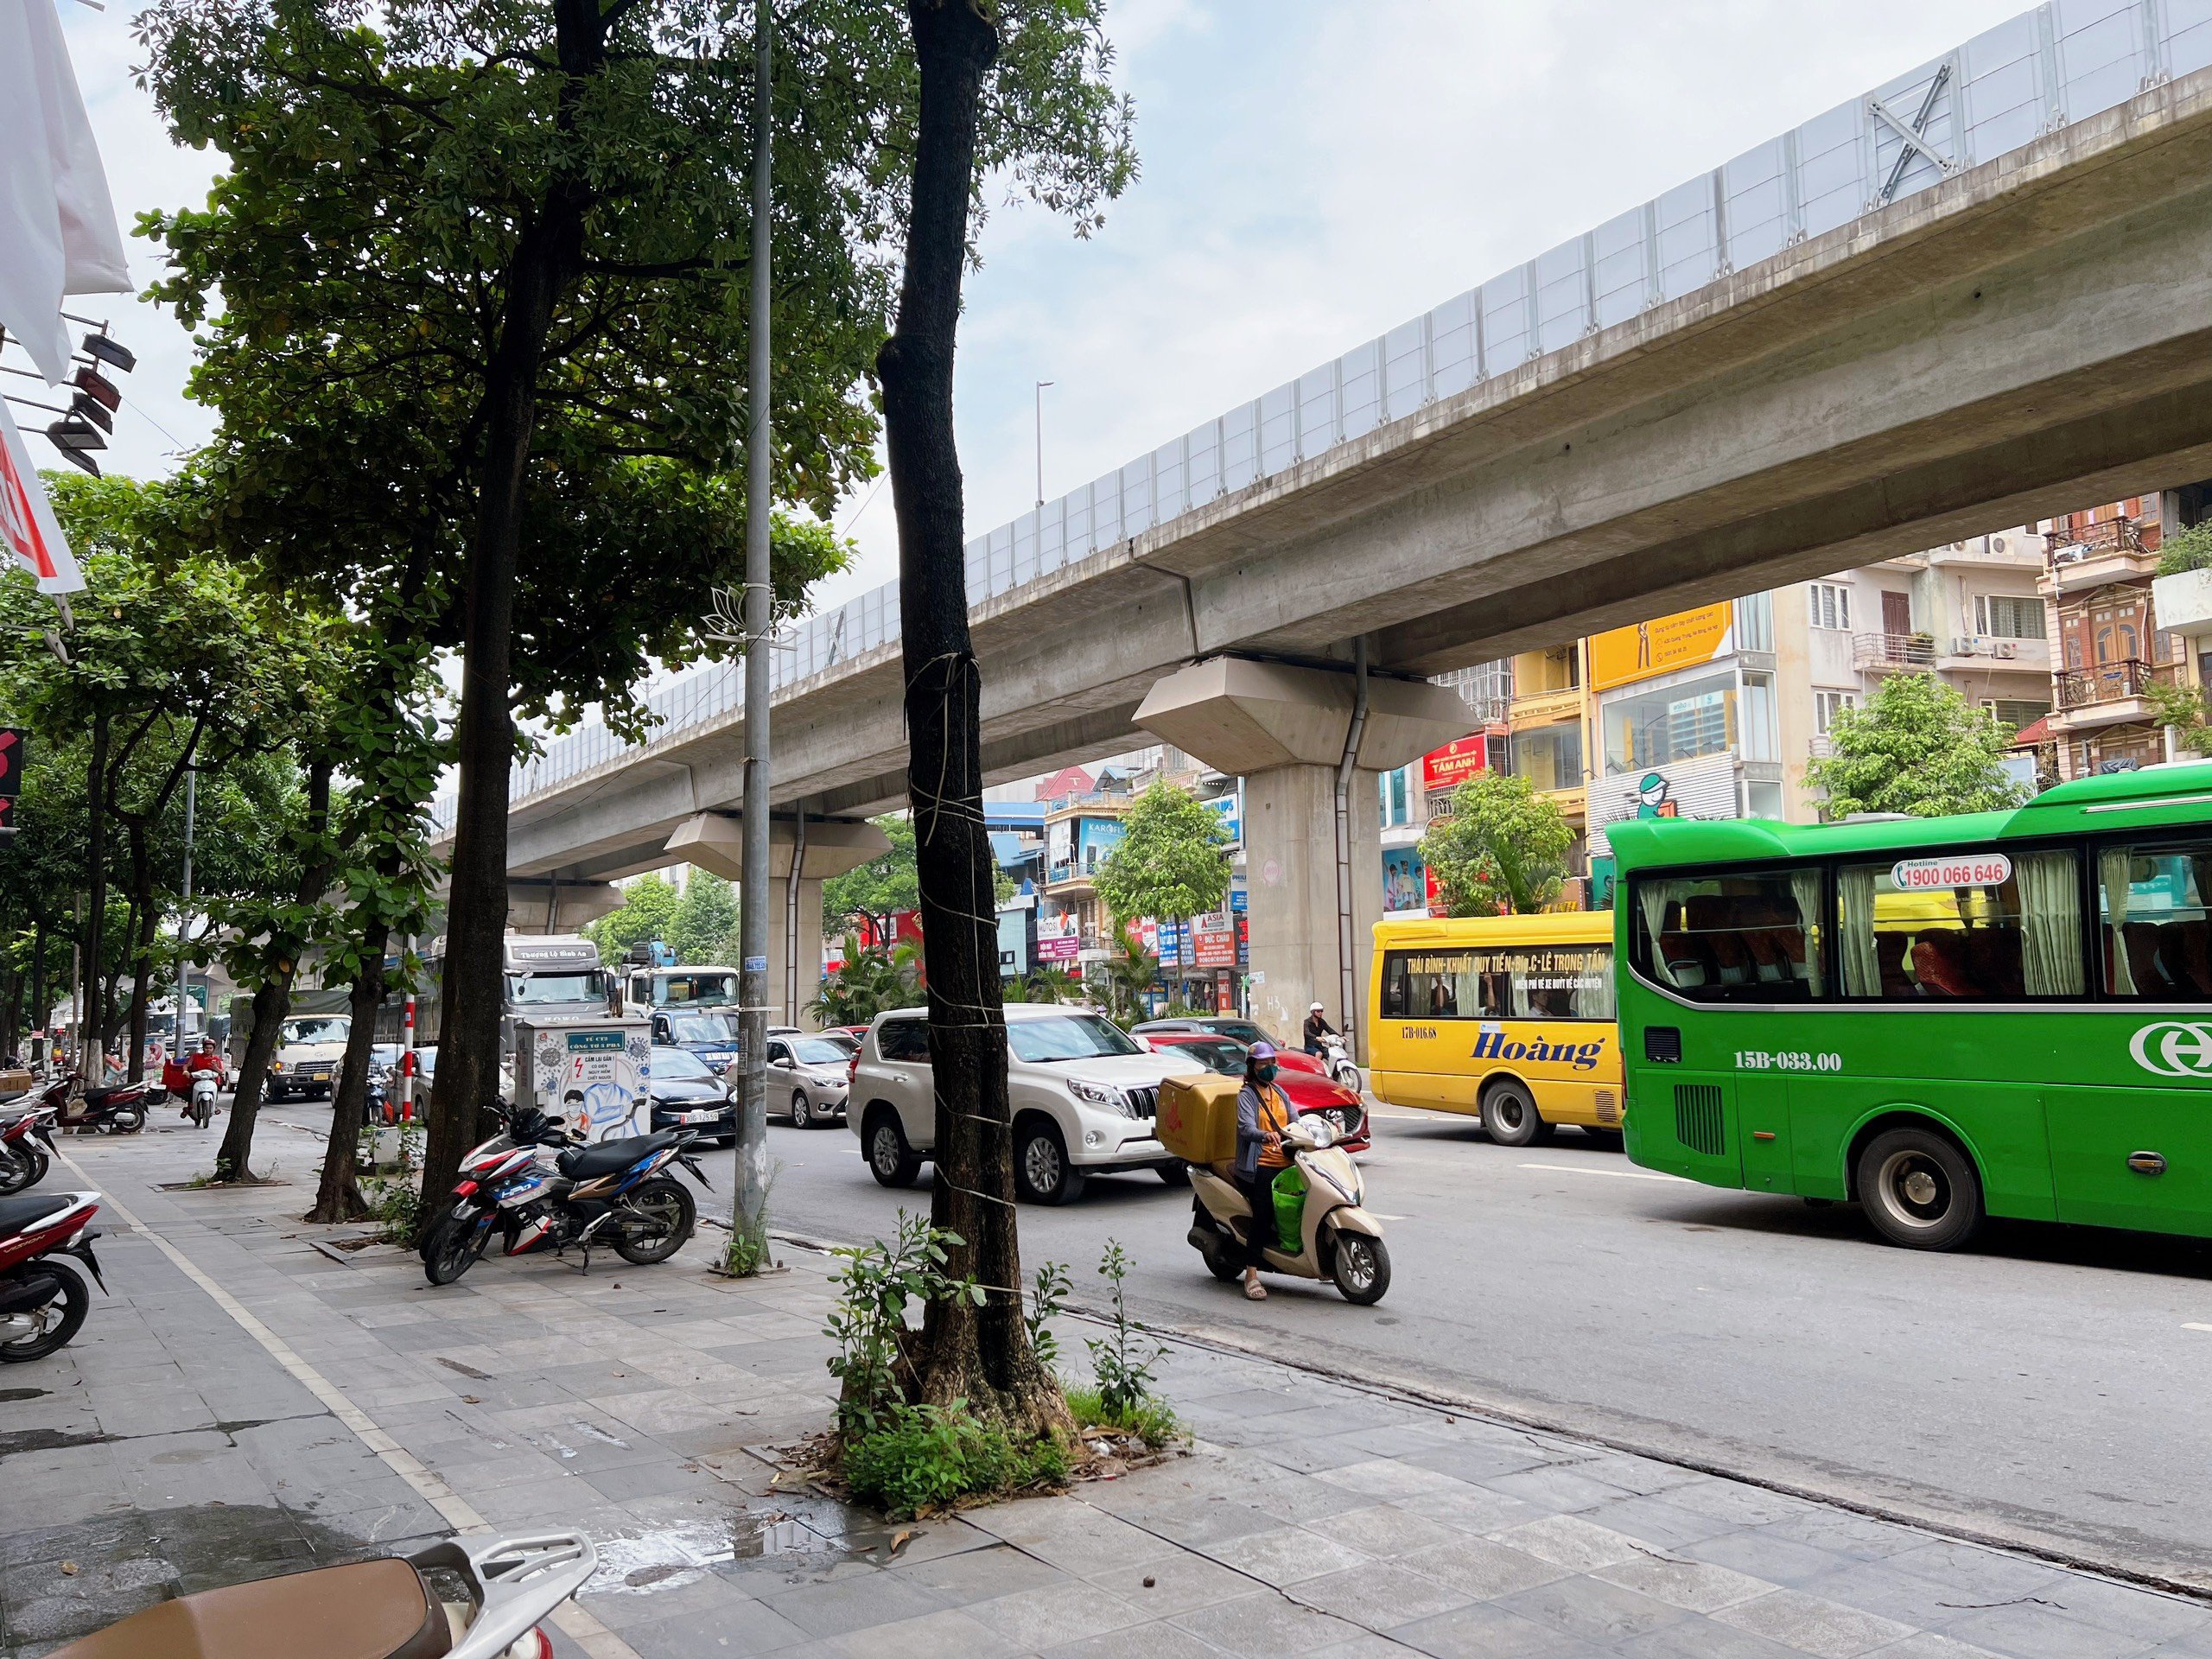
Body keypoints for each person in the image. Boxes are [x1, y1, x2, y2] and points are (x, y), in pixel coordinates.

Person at [1234, 1042, 1295, 1301]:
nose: (1269, 1068)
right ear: (1252, 1067)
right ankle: (1251, 1273)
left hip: (1288, 1162)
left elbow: (1295, 1121)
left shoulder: (1279, 1091)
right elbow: (1245, 1128)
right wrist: (1264, 1135)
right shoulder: (1246, 1095)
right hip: (1260, 1166)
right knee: (1264, 1213)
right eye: (1263, 1064)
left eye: (1272, 1063)